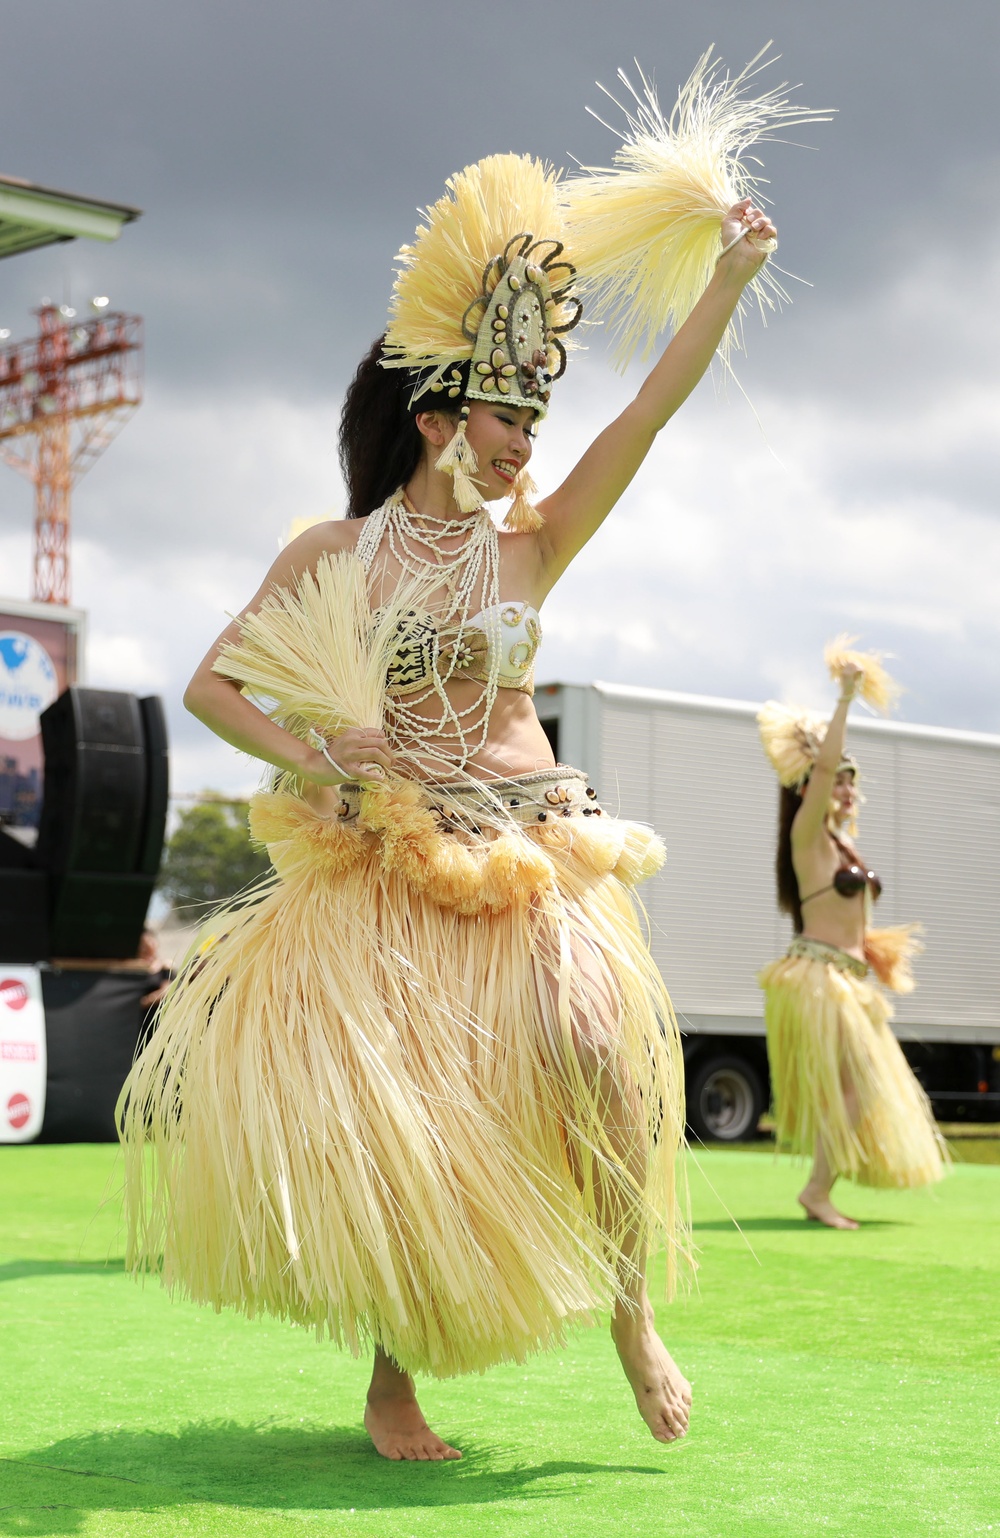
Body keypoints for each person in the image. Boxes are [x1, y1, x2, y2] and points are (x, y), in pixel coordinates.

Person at [119, 148, 778, 1462]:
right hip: (394, 863)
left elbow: (646, 412)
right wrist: (328, 760)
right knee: (421, 1127)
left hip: (533, 846)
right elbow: (212, 687)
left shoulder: (533, 544)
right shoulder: (340, 555)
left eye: (537, 415)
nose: (528, 438)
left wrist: (729, 279)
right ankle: (391, 1380)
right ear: (436, 419)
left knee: (596, 1042)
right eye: (506, 414)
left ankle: (634, 1311)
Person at [757, 644, 947, 1230]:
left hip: (849, 978)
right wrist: (843, 698)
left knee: (856, 1089)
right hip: (819, 980)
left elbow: (853, 918)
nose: (843, 790)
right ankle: (817, 1191)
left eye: (849, 783)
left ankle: (821, 1187)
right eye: (835, 781)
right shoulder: (807, 836)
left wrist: (875, 953)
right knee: (856, 1088)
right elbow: (819, 773)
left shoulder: (841, 846)